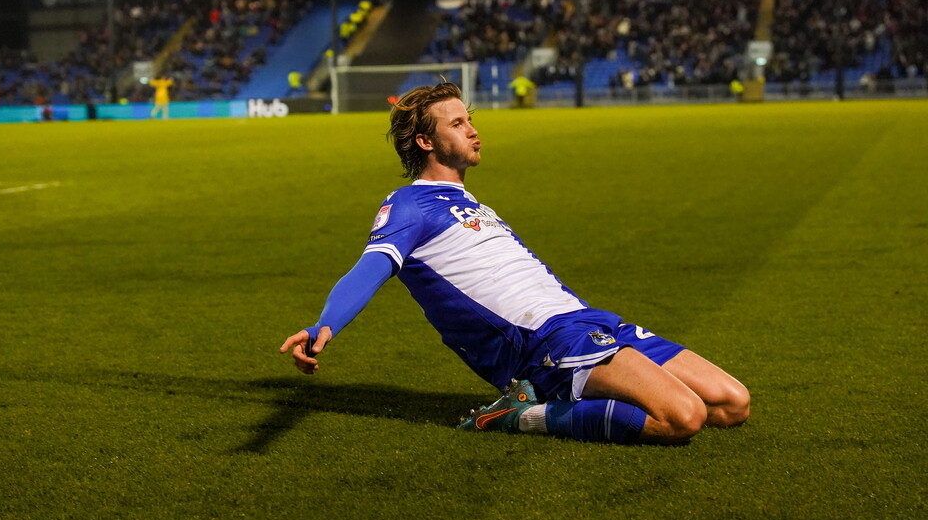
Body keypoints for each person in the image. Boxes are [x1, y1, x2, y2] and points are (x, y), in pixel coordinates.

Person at [281, 82, 749, 444]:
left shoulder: (471, 204)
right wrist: (325, 324)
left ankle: (585, 392)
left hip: (585, 319)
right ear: (425, 142)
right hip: (541, 340)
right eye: (458, 123)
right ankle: (519, 415)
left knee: (732, 404)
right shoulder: (409, 205)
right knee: (683, 417)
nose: (473, 129)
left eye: (470, 120)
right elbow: (371, 267)